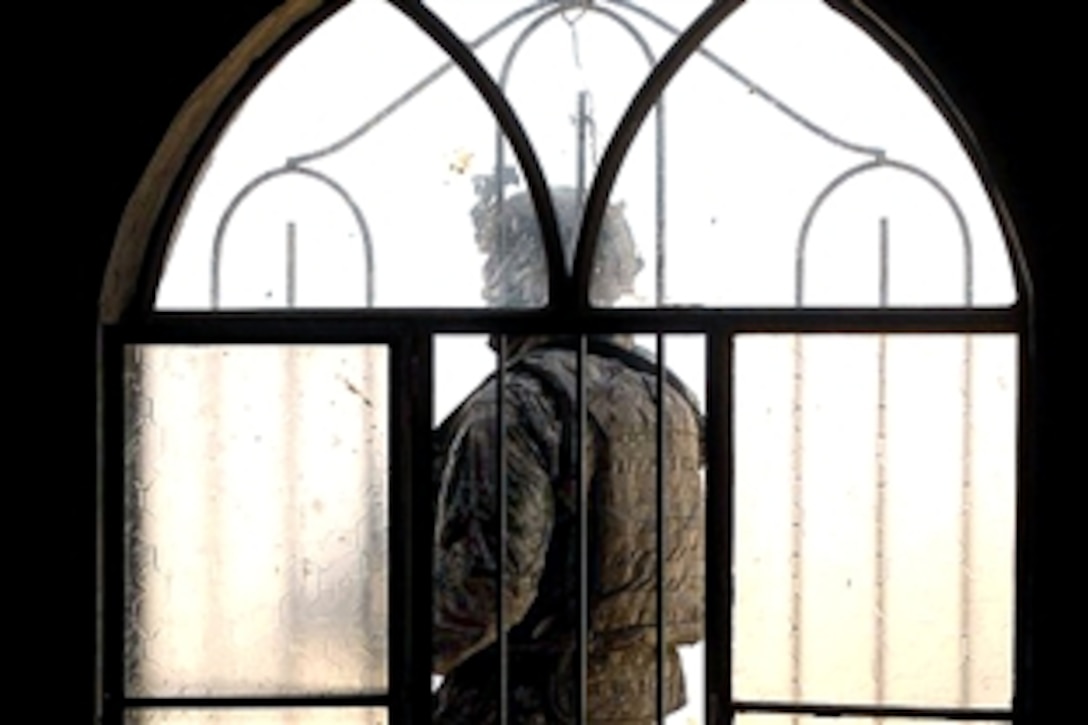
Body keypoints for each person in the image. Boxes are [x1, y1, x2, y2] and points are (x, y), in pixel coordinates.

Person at [432, 183, 705, 723]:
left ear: (526, 272)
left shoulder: (518, 407)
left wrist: (378, 642)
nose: (487, 288)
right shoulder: (665, 396)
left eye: (497, 262)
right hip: (636, 703)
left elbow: (488, 584)